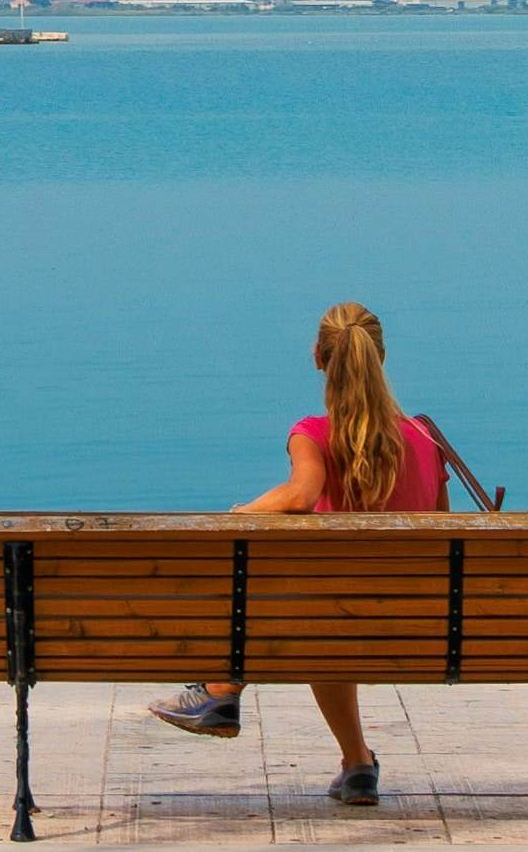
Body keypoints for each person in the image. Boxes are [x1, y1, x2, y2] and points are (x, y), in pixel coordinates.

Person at [149, 299, 481, 806]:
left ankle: (222, 688)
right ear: (380, 357)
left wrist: (240, 514)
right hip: (424, 624)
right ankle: (357, 766)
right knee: (325, 607)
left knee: (308, 605)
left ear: (319, 358)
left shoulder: (315, 434)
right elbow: (441, 527)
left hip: (335, 622)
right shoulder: (423, 438)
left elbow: (301, 495)